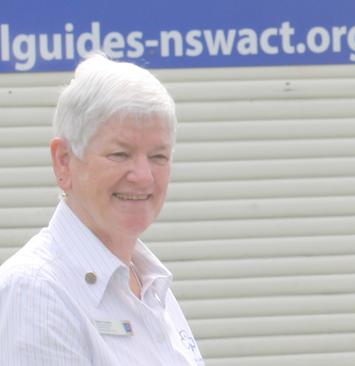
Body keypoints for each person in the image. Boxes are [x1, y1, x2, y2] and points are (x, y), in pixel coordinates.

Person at [0, 54, 204, 365]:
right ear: (64, 161)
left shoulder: (148, 282)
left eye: (159, 156)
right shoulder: (37, 294)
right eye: (120, 154)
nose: (144, 176)